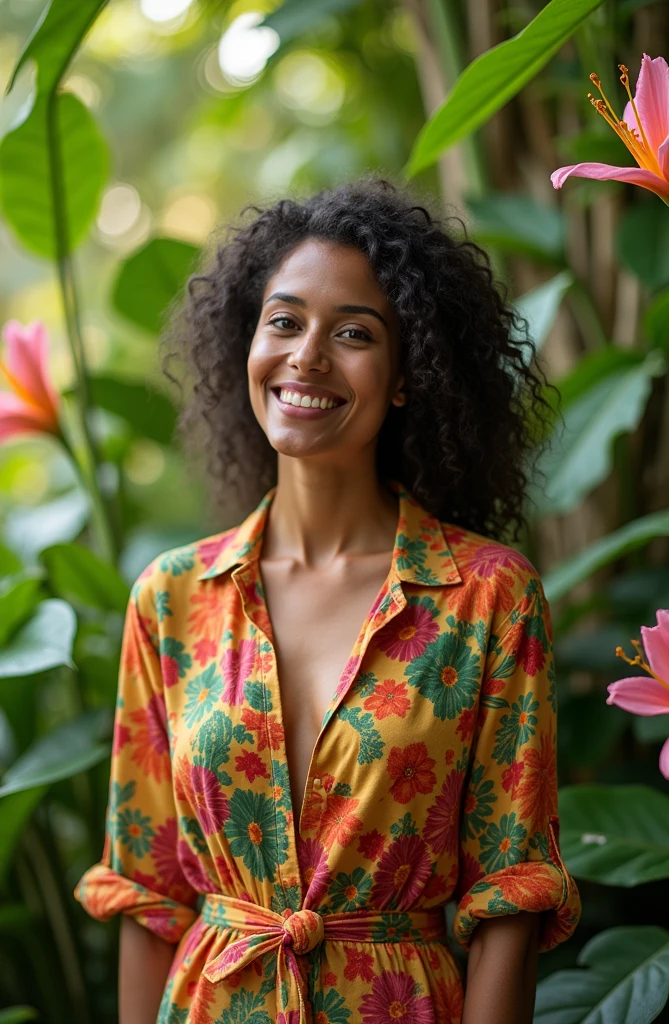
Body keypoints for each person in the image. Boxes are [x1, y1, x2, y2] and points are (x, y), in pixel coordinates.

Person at [74, 174, 580, 1024]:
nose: (307, 355)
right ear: (248, 344)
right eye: (284, 321)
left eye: (353, 333)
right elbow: (146, 889)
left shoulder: (488, 597)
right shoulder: (170, 599)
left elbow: (511, 890)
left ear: (408, 374)